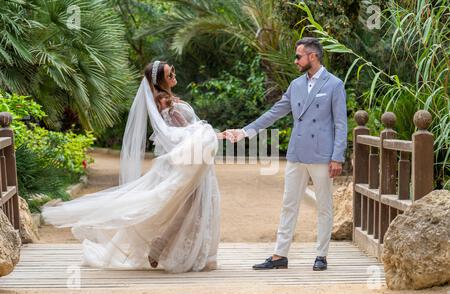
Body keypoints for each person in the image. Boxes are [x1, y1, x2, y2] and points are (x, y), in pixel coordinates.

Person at [42, 60, 226, 273]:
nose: (173, 74)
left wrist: (209, 135)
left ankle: (174, 248)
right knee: (195, 206)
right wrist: (209, 133)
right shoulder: (167, 103)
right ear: (159, 81)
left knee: (192, 206)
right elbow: (183, 134)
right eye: (169, 73)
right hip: (190, 163)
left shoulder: (166, 100)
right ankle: (169, 248)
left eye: (173, 69)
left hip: (193, 162)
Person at [226, 37, 348, 271]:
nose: (295, 61)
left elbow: (341, 124)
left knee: (324, 206)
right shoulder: (296, 85)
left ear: (313, 56)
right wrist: (244, 131)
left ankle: (321, 255)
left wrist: (337, 157)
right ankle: (279, 255)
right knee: (288, 204)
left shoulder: (334, 84)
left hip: (323, 156)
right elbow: (274, 113)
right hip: (296, 153)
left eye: (298, 56)